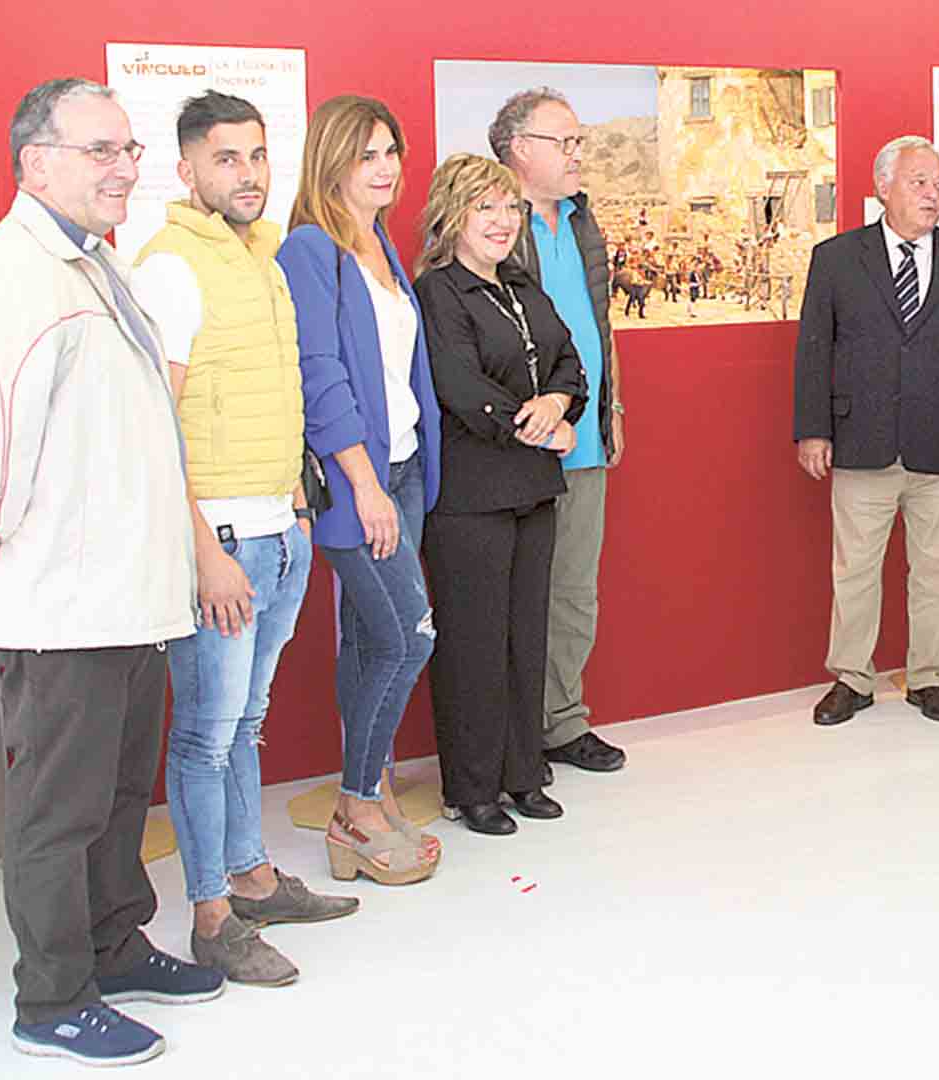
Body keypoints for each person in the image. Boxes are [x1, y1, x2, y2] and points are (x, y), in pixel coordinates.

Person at [0, 77, 222, 1068]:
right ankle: (51, 999)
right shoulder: (11, 278)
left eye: (130, 149)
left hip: (127, 599)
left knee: (116, 800)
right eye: (102, 150)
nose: (125, 168)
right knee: (60, 812)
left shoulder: (92, 264)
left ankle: (113, 948)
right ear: (36, 162)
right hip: (59, 604)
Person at [130, 91, 358, 987]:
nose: (249, 174)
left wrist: (295, 508)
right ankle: (213, 917)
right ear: (185, 169)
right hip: (220, 539)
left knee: (244, 725)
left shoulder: (258, 254)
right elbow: (159, 425)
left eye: (258, 156)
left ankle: (253, 876)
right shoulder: (172, 267)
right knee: (205, 735)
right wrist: (204, 549)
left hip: (275, 525)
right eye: (226, 159)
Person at [276, 95, 443, 881]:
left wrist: (397, 477)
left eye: (391, 152)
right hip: (360, 481)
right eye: (367, 153)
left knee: (368, 640)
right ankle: (356, 805)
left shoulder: (378, 242)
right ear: (331, 161)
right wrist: (364, 486)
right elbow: (322, 376)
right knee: (411, 638)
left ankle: (368, 786)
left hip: (404, 468)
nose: (384, 168)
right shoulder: (310, 249)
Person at [793, 135, 939, 726]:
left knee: (937, 568)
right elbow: (814, 351)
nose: (932, 194)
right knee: (855, 569)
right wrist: (811, 430)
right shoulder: (837, 259)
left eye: (938, 184)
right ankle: (853, 678)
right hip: (861, 442)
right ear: (883, 186)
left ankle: (928, 677)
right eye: (919, 182)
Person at [412, 154, 588, 835]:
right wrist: (540, 427)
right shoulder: (440, 293)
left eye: (509, 208)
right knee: (474, 645)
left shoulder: (521, 286)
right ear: (453, 215)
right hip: (471, 495)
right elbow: (459, 388)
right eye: (485, 208)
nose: (501, 221)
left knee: (524, 637)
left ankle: (522, 774)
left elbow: (570, 358)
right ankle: (473, 786)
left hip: (532, 489)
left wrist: (560, 401)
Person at [489, 87, 628, 775]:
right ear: (519, 149)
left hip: (589, 440)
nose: (578, 154)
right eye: (564, 142)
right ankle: (514, 738)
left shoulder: (582, 221)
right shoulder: (491, 223)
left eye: (579, 141)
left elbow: (596, 329)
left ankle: (563, 722)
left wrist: (603, 411)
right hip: (519, 446)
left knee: (575, 592)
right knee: (515, 596)